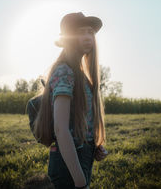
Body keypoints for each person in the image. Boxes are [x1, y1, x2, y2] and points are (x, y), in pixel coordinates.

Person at [33, 12, 108, 189]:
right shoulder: (65, 72)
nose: (88, 36)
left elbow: (80, 120)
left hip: (82, 155)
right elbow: (61, 129)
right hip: (69, 163)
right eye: (81, 32)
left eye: (90, 32)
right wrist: (80, 182)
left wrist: (92, 144)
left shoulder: (80, 75)